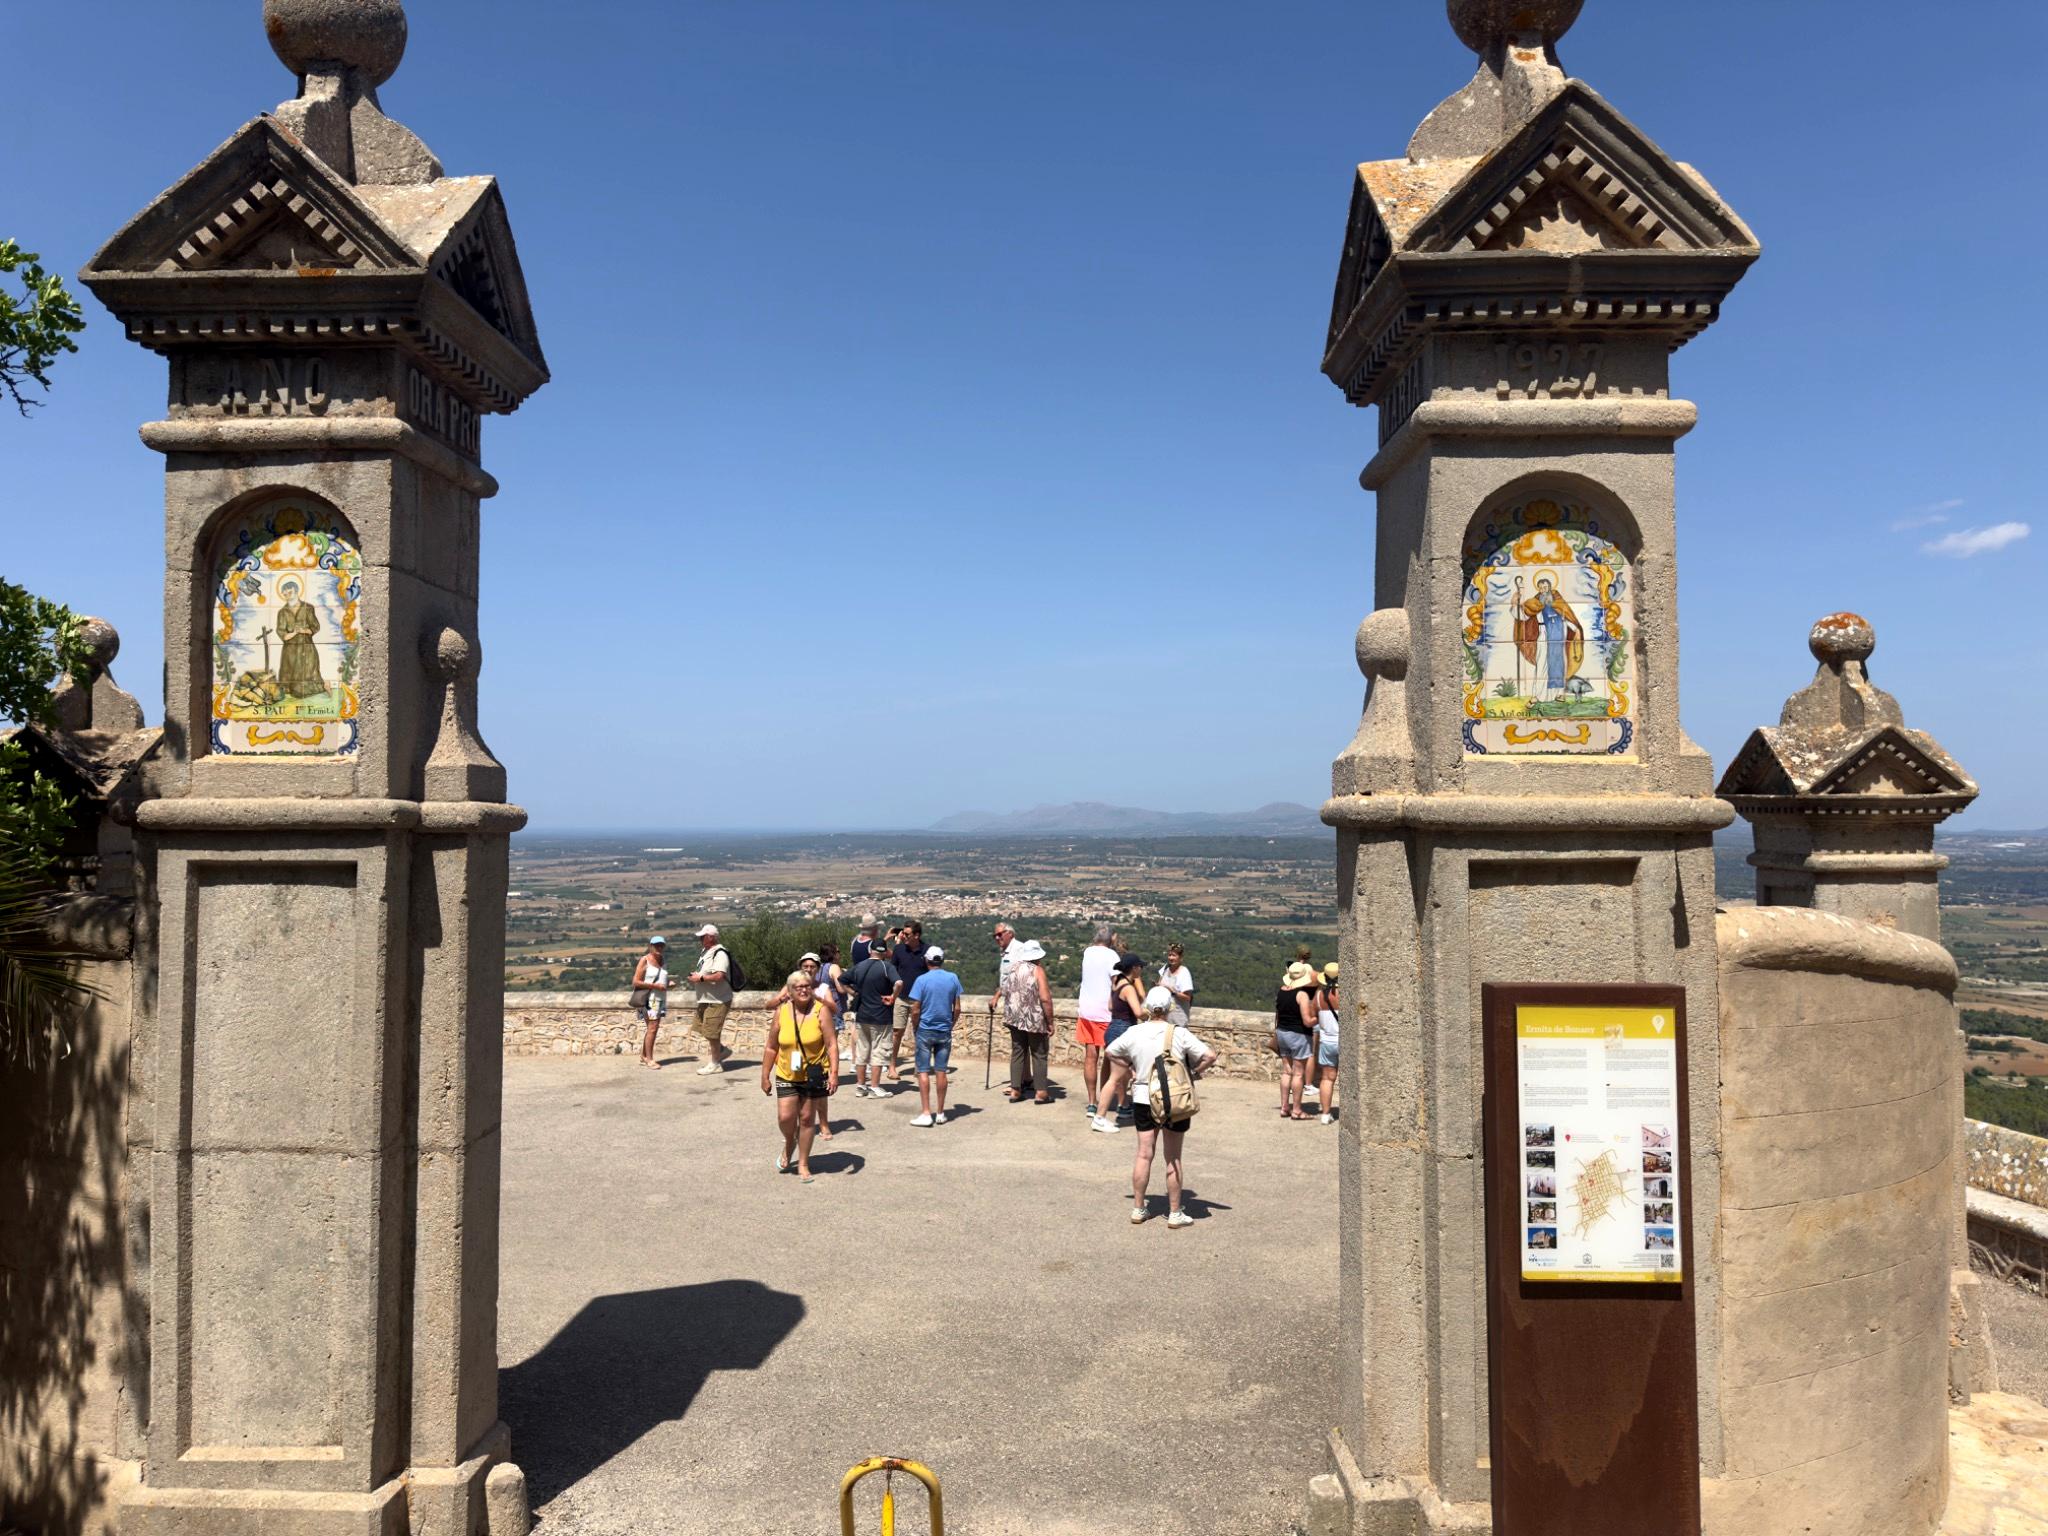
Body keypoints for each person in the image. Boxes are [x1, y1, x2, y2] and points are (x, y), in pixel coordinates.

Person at [1100, 985, 1217, 1228]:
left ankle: (1139, 1208)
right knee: (1173, 1157)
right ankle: (1175, 1212)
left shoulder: (1134, 1032)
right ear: (1169, 1008)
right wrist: (1193, 1073)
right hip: (1173, 1099)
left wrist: (1130, 1068)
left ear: (1147, 1008)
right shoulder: (1179, 1033)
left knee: (1144, 1154)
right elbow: (1210, 1055)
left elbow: (1110, 1051)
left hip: (1143, 1096)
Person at [761, 970, 836, 1182]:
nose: (803, 990)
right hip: (786, 1072)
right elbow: (771, 1047)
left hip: (813, 1074)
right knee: (785, 1118)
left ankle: (803, 1163)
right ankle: (789, 1142)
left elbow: (831, 1045)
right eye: (798, 987)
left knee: (806, 1119)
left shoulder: (821, 1011)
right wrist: (765, 1075)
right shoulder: (782, 1012)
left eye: (806, 986)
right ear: (790, 992)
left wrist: (834, 1074)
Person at [906, 945, 964, 1127]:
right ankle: (940, 1112)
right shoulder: (953, 978)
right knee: (941, 1071)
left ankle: (926, 1112)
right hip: (944, 1030)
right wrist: (950, 1024)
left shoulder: (921, 980)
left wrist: (916, 1027)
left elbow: (915, 1009)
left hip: (925, 1029)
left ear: (927, 960)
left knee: (923, 1070)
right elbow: (958, 1008)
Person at [1091, 953, 1148, 1133]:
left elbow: (1110, 1007)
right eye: (1140, 966)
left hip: (1112, 1029)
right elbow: (1138, 1012)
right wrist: (1154, 1013)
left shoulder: (1116, 983)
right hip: (1123, 1032)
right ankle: (1099, 1118)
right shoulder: (1129, 988)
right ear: (1134, 968)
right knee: (1115, 1078)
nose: (1141, 969)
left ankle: (1124, 1108)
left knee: (1123, 1074)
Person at [1000, 938, 1056, 1104]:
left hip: (1014, 1017)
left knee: (1018, 1052)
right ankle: (1041, 1092)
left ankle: (1015, 1091)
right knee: (1039, 1053)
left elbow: (1005, 990)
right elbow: (1045, 999)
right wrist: (1050, 1021)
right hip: (1033, 1019)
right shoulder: (1037, 971)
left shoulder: (1013, 968)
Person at [845, 937, 900, 1097]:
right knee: (879, 1051)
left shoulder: (859, 966)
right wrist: (893, 997)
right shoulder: (886, 967)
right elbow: (899, 983)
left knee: (862, 1051)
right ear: (885, 952)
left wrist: (854, 993)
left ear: (870, 950)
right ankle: (875, 1087)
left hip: (862, 1015)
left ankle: (861, 1086)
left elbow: (842, 980)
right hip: (881, 1015)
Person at [1075, 925, 1120, 1116]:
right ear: (1112, 939)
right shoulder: (1112, 957)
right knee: (1108, 1059)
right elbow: (1116, 984)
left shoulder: (1088, 952)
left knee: (1090, 1057)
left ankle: (1092, 1102)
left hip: (1086, 1011)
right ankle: (1105, 1100)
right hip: (1105, 1013)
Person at [685, 924, 735, 1074]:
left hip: (718, 1000)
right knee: (702, 1028)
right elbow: (705, 972)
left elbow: (720, 975)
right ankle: (721, 1051)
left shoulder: (720, 953)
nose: (700, 939)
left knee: (712, 1032)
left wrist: (700, 978)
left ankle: (715, 1064)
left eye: (703, 936)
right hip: (706, 999)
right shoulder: (705, 951)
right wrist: (697, 975)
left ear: (711, 937)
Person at [1275, 959, 1320, 1119]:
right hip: (1298, 1035)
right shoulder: (1301, 995)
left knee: (1287, 1072)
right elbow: (1307, 1020)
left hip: (1282, 1033)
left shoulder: (1281, 991)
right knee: (1298, 1074)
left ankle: (1284, 1107)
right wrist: (1318, 1018)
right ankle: (1297, 1110)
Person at [888, 920, 928, 1083]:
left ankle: (920, 1067)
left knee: (920, 1033)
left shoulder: (927, 951)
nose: (903, 936)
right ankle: (891, 1066)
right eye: (903, 933)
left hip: (920, 999)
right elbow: (893, 971)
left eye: (907, 934)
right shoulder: (898, 950)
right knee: (897, 1032)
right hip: (901, 998)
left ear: (916, 935)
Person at [630, 936, 670, 1070]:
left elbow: (662, 980)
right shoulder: (645, 960)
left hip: (660, 999)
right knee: (653, 1028)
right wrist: (656, 987)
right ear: (650, 946)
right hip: (648, 1000)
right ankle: (649, 1059)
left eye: (661, 945)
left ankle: (644, 1056)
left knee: (651, 1028)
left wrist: (668, 984)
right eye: (656, 945)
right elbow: (635, 982)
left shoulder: (663, 961)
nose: (659, 948)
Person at [1315, 962, 1341, 1124]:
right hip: (1345, 1041)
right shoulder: (1348, 994)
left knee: (1327, 1078)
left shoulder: (1318, 997)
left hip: (1326, 1042)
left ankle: (1325, 1114)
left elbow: (1312, 1017)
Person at [1158, 943, 1195, 1029]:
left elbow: (1187, 997)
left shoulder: (1184, 973)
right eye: (1169, 955)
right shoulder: (1165, 969)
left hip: (1178, 1019)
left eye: (1174, 955)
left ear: (1180, 957)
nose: (1171, 958)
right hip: (1164, 1018)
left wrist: (1173, 992)